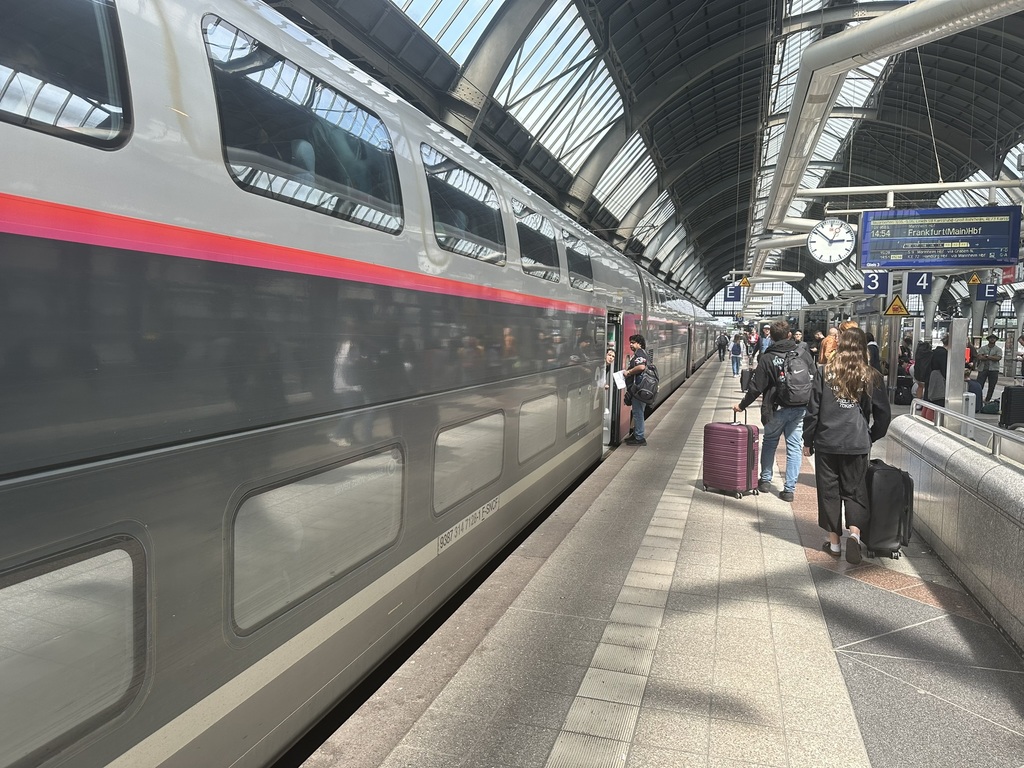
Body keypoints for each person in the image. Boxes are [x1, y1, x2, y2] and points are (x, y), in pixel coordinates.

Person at [802, 327, 891, 563]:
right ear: (863, 347)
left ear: (840, 346)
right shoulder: (871, 375)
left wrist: (808, 440)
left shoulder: (826, 372)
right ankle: (854, 534)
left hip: (827, 441)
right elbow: (883, 415)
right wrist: (871, 436)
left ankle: (834, 544)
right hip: (857, 442)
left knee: (829, 492)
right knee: (855, 491)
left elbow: (813, 411)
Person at [733, 319, 814, 502]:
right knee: (794, 448)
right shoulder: (803, 354)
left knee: (770, 442)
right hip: (800, 408)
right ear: (789, 335)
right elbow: (814, 379)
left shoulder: (768, 357)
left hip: (775, 408)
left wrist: (742, 405)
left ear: (772, 337)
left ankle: (766, 481)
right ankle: (788, 490)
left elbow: (756, 387)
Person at [623, 334, 649, 446]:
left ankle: (639, 437)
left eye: (633, 342)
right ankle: (636, 433)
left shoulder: (640, 353)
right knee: (637, 412)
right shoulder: (641, 353)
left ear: (639, 343)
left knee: (638, 413)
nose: (631, 345)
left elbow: (641, 367)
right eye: (631, 342)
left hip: (638, 389)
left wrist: (628, 372)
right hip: (640, 389)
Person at [976, 333, 1002, 404]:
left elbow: (998, 358)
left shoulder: (998, 349)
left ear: (996, 340)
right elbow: (979, 357)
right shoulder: (983, 348)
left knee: (992, 386)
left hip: (994, 370)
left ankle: (987, 400)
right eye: (991, 338)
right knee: (979, 385)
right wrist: (992, 357)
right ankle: (978, 399)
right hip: (982, 368)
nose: (992, 339)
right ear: (988, 339)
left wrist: (987, 356)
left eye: (994, 338)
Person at [926, 335, 950, 407]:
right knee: (937, 401)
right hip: (939, 379)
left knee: (931, 402)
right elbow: (944, 369)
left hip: (934, 376)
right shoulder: (943, 353)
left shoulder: (937, 351)